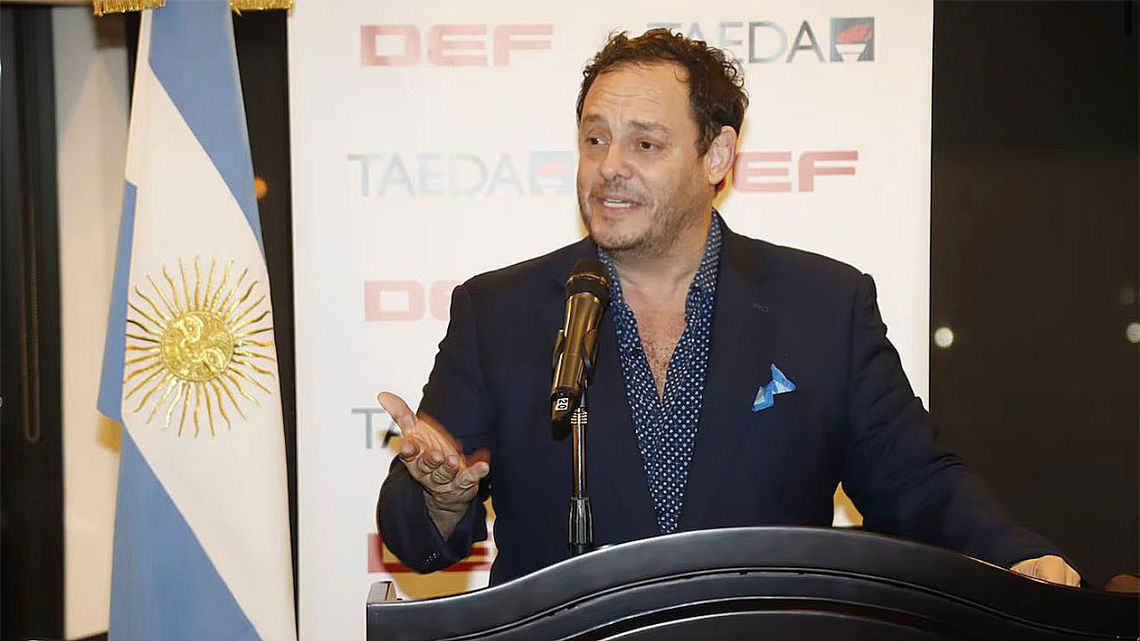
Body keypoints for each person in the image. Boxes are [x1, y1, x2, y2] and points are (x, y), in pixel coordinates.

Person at [376, 29, 1081, 587]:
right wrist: (438, 496)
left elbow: (913, 478)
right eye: (595, 139)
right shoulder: (498, 313)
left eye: (645, 143)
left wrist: (1011, 552)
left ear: (717, 155)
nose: (609, 166)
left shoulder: (824, 307)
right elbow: (415, 534)